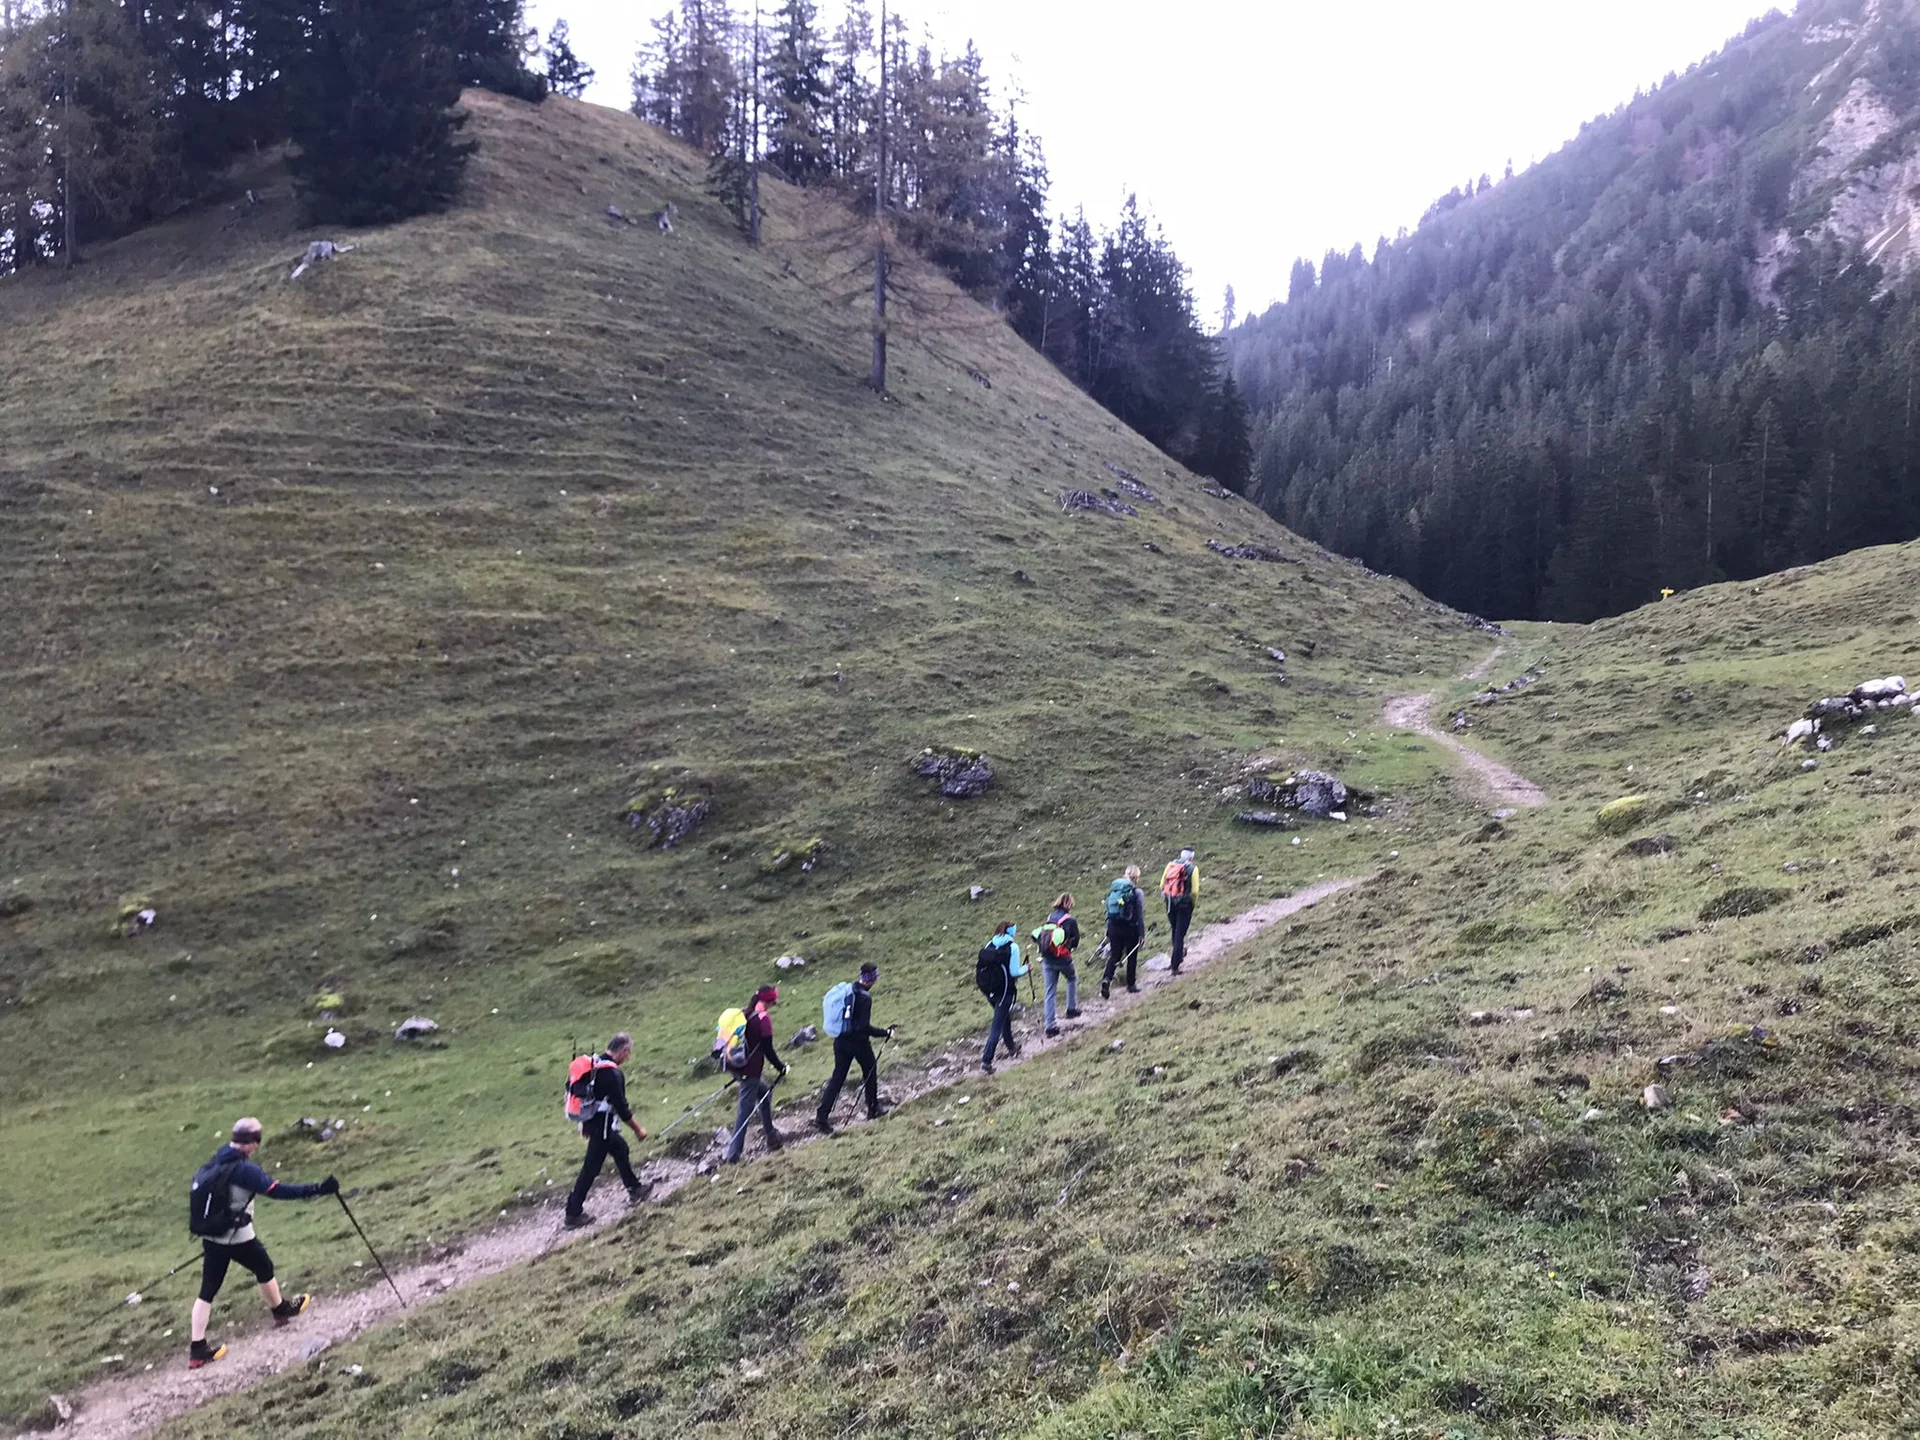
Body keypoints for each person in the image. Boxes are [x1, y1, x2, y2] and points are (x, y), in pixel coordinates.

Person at [186, 1117, 337, 1370]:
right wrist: (317, 1189)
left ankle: (197, 1349)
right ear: (253, 1143)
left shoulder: (216, 1161)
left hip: (212, 1236)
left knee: (208, 1290)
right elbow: (277, 1190)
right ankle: (280, 1310)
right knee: (264, 1267)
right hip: (236, 1236)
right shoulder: (244, 1170)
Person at [563, 1032, 649, 1229]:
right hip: (601, 1126)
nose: (628, 1057)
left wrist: (584, 1123)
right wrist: (638, 1130)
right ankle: (573, 1213)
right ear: (624, 1050)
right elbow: (622, 1108)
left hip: (595, 1123)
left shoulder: (595, 1065)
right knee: (591, 1167)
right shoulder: (612, 1073)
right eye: (629, 1053)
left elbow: (588, 1096)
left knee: (620, 1148)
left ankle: (635, 1188)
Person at [815, 963, 894, 1132]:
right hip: (858, 1042)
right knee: (870, 1070)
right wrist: (885, 1032)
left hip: (840, 1040)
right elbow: (864, 1026)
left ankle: (821, 1116)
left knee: (838, 1077)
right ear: (872, 978)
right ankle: (873, 1108)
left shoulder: (849, 990)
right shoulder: (865, 998)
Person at [725, 985, 788, 1162]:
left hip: (736, 1065)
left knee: (765, 1092)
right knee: (744, 1112)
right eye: (772, 1001)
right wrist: (780, 1067)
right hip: (750, 1070)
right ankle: (733, 1156)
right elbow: (768, 1049)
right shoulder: (763, 1020)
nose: (773, 1004)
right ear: (767, 1001)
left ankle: (771, 1136)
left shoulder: (745, 1013)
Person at [1033, 894, 1082, 1037]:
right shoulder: (1071, 921)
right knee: (1072, 978)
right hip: (1063, 958)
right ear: (1069, 905)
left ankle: (1050, 1026)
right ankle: (1071, 1008)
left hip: (1047, 959)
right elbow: (1076, 941)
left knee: (1050, 992)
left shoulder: (1050, 918)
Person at [977, 922, 1023, 1073]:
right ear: (1011, 932)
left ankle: (1012, 1047)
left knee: (1004, 1017)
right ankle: (986, 1061)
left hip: (989, 990)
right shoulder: (1013, 947)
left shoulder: (990, 943)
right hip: (1005, 990)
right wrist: (1026, 968)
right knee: (997, 1025)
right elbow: (1014, 972)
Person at [1100, 865, 1146, 999]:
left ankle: (1106, 979)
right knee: (1132, 955)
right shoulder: (1137, 892)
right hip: (1130, 928)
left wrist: (1108, 930)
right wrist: (1142, 934)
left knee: (1115, 955)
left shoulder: (1115, 889)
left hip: (1113, 926)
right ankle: (1131, 985)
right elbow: (1139, 915)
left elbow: (1109, 910)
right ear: (1137, 877)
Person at [1163, 847, 1198, 974]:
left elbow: (1162, 884)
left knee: (1175, 930)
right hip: (1184, 905)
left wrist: (1168, 899)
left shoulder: (1170, 865)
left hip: (1170, 903)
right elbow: (1194, 891)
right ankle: (1175, 965)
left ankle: (1177, 956)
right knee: (1180, 934)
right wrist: (1192, 903)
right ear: (1191, 858)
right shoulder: (1193, 869)